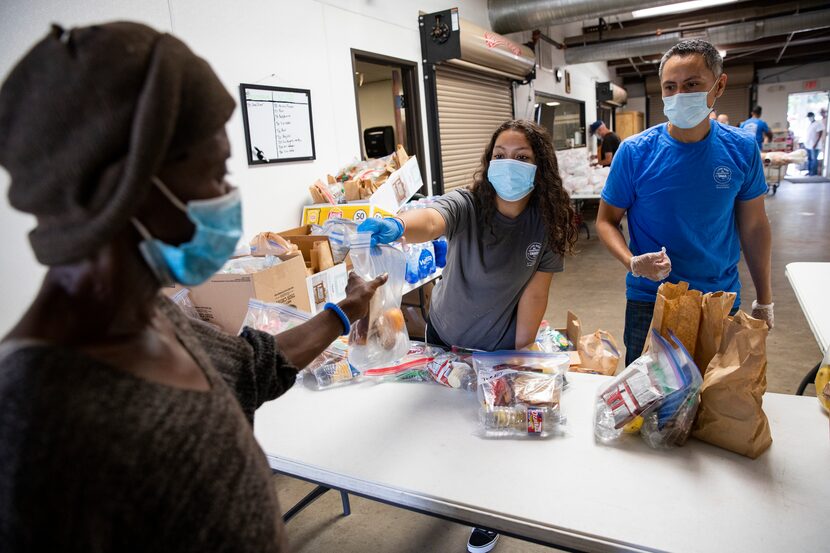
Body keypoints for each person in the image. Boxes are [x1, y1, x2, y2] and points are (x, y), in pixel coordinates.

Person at [0, 22, 386, 552]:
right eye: (216, 173)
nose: (229, 195)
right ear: (125, 186)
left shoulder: (152, 316)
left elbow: (253, 368)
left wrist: (346, 309)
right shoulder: (36, 422)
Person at [359, 119, 576, 553]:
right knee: (442, 431)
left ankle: (487, 513)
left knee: (492, 441)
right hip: (443, 334)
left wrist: (515, 364)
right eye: (499, 155)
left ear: (540, 167)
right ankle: (446, 493)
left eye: (521, 157)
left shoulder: (548, 223)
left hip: (494, 350)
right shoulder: (470, 204)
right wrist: (400, 226)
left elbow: (536, 297)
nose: (507, 164)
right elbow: (433, 218)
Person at [595, 39, 773, 366]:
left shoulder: (742, 150)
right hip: (651, 298)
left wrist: (765, 299)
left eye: (692, 85)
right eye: (670, 87)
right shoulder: (635, 153)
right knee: (649, 406)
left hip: (719, 299)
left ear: (719, 86)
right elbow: (606, 220)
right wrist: (632, 262)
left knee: (714, 401)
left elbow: (754, 227)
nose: (680, 95)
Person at [806, 111, 824, 176]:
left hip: (815, 145)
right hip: (809, 145)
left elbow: (820, 133)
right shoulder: (811, 124)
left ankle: (813, 173)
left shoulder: (818, 123)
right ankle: (809, 171)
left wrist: (815, 143)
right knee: (810, 159)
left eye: (810, 117)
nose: (809, 118)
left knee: (814, 159)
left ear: (813, 116)